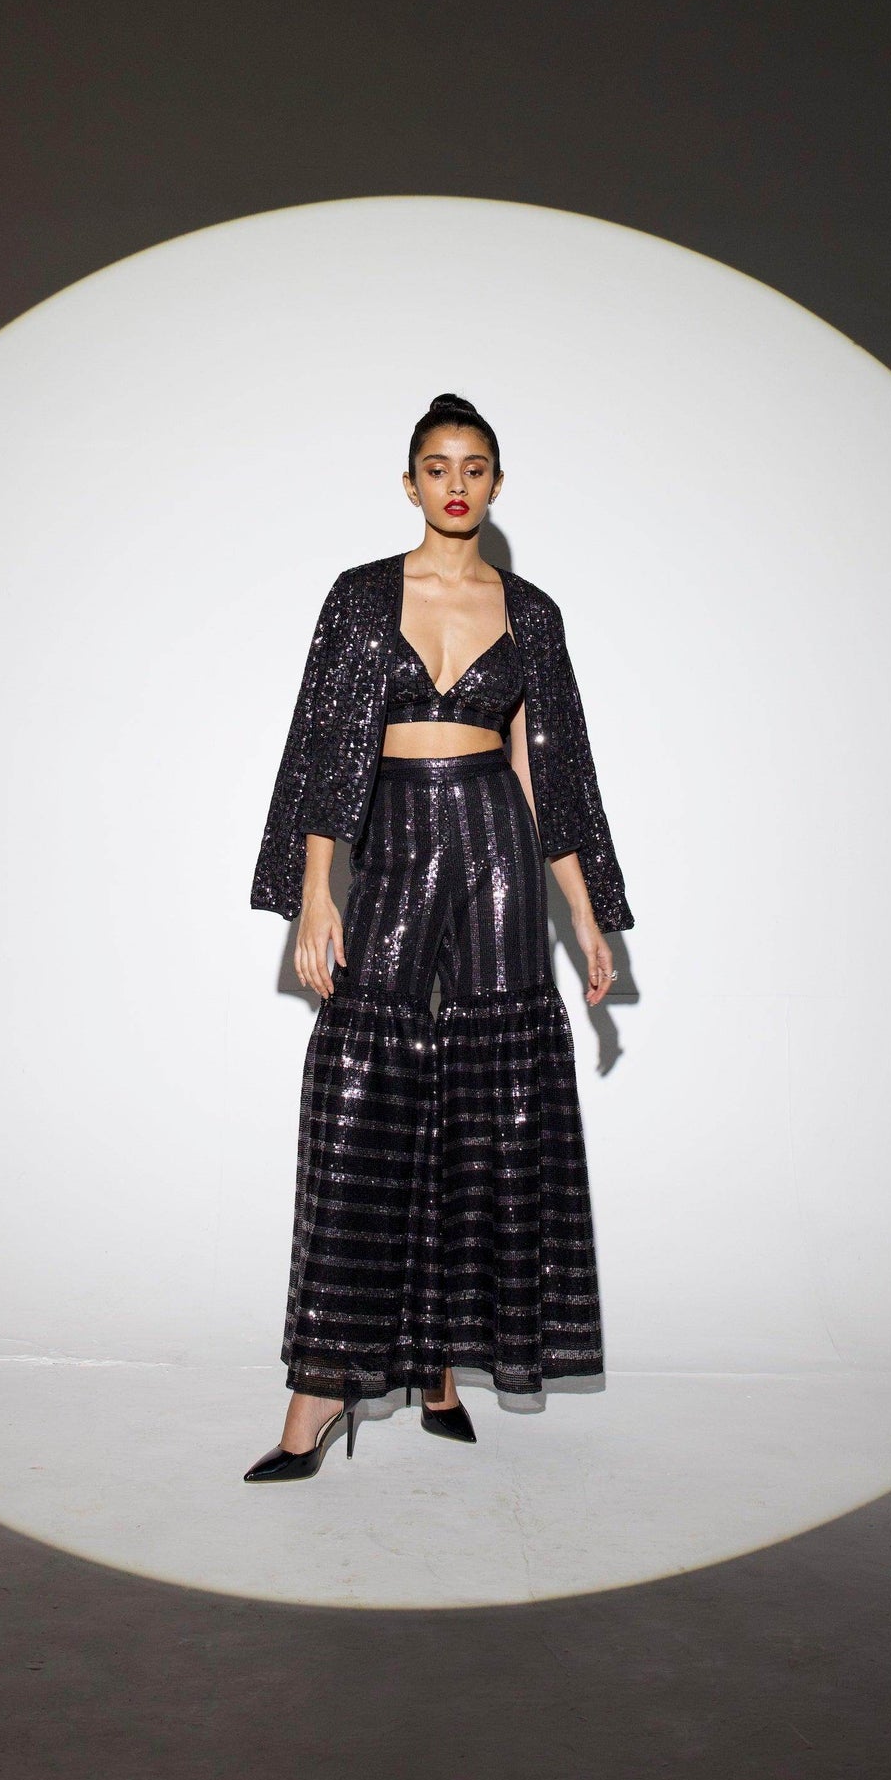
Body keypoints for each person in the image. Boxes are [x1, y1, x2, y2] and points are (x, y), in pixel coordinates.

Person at [243, 393, 632, 1483]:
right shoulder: (362, 596)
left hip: (498, 846)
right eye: (436, 465)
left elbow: (550, 773)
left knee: (486, 1103)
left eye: (474, 467)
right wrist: (318, 892)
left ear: (496, 484)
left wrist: (584, 912)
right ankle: (322, 1388)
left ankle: (442, 1366)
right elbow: (327, 746)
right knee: (357, 1088)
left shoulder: (531, 612)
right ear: (409, 481)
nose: (455, 484)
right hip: (397, 839)